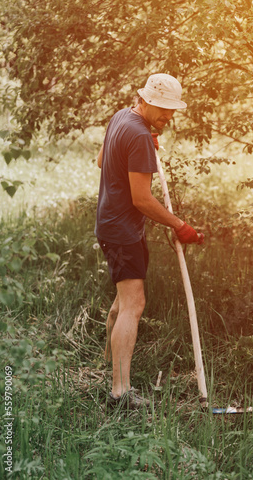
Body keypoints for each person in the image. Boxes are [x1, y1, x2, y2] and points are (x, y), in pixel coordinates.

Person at [95, 73, 204, 409]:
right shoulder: (139, 134)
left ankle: (106, 366)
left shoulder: (121, 117)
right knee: (134, 305)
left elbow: (101, 161)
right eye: (164, 109)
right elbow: (142, 199)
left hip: (110, 224)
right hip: (123, 231)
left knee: (121, 302)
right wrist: (180, 226)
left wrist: (142, 145)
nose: (169, 116)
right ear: (148, 101)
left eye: (172, 110)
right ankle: (120, 392)